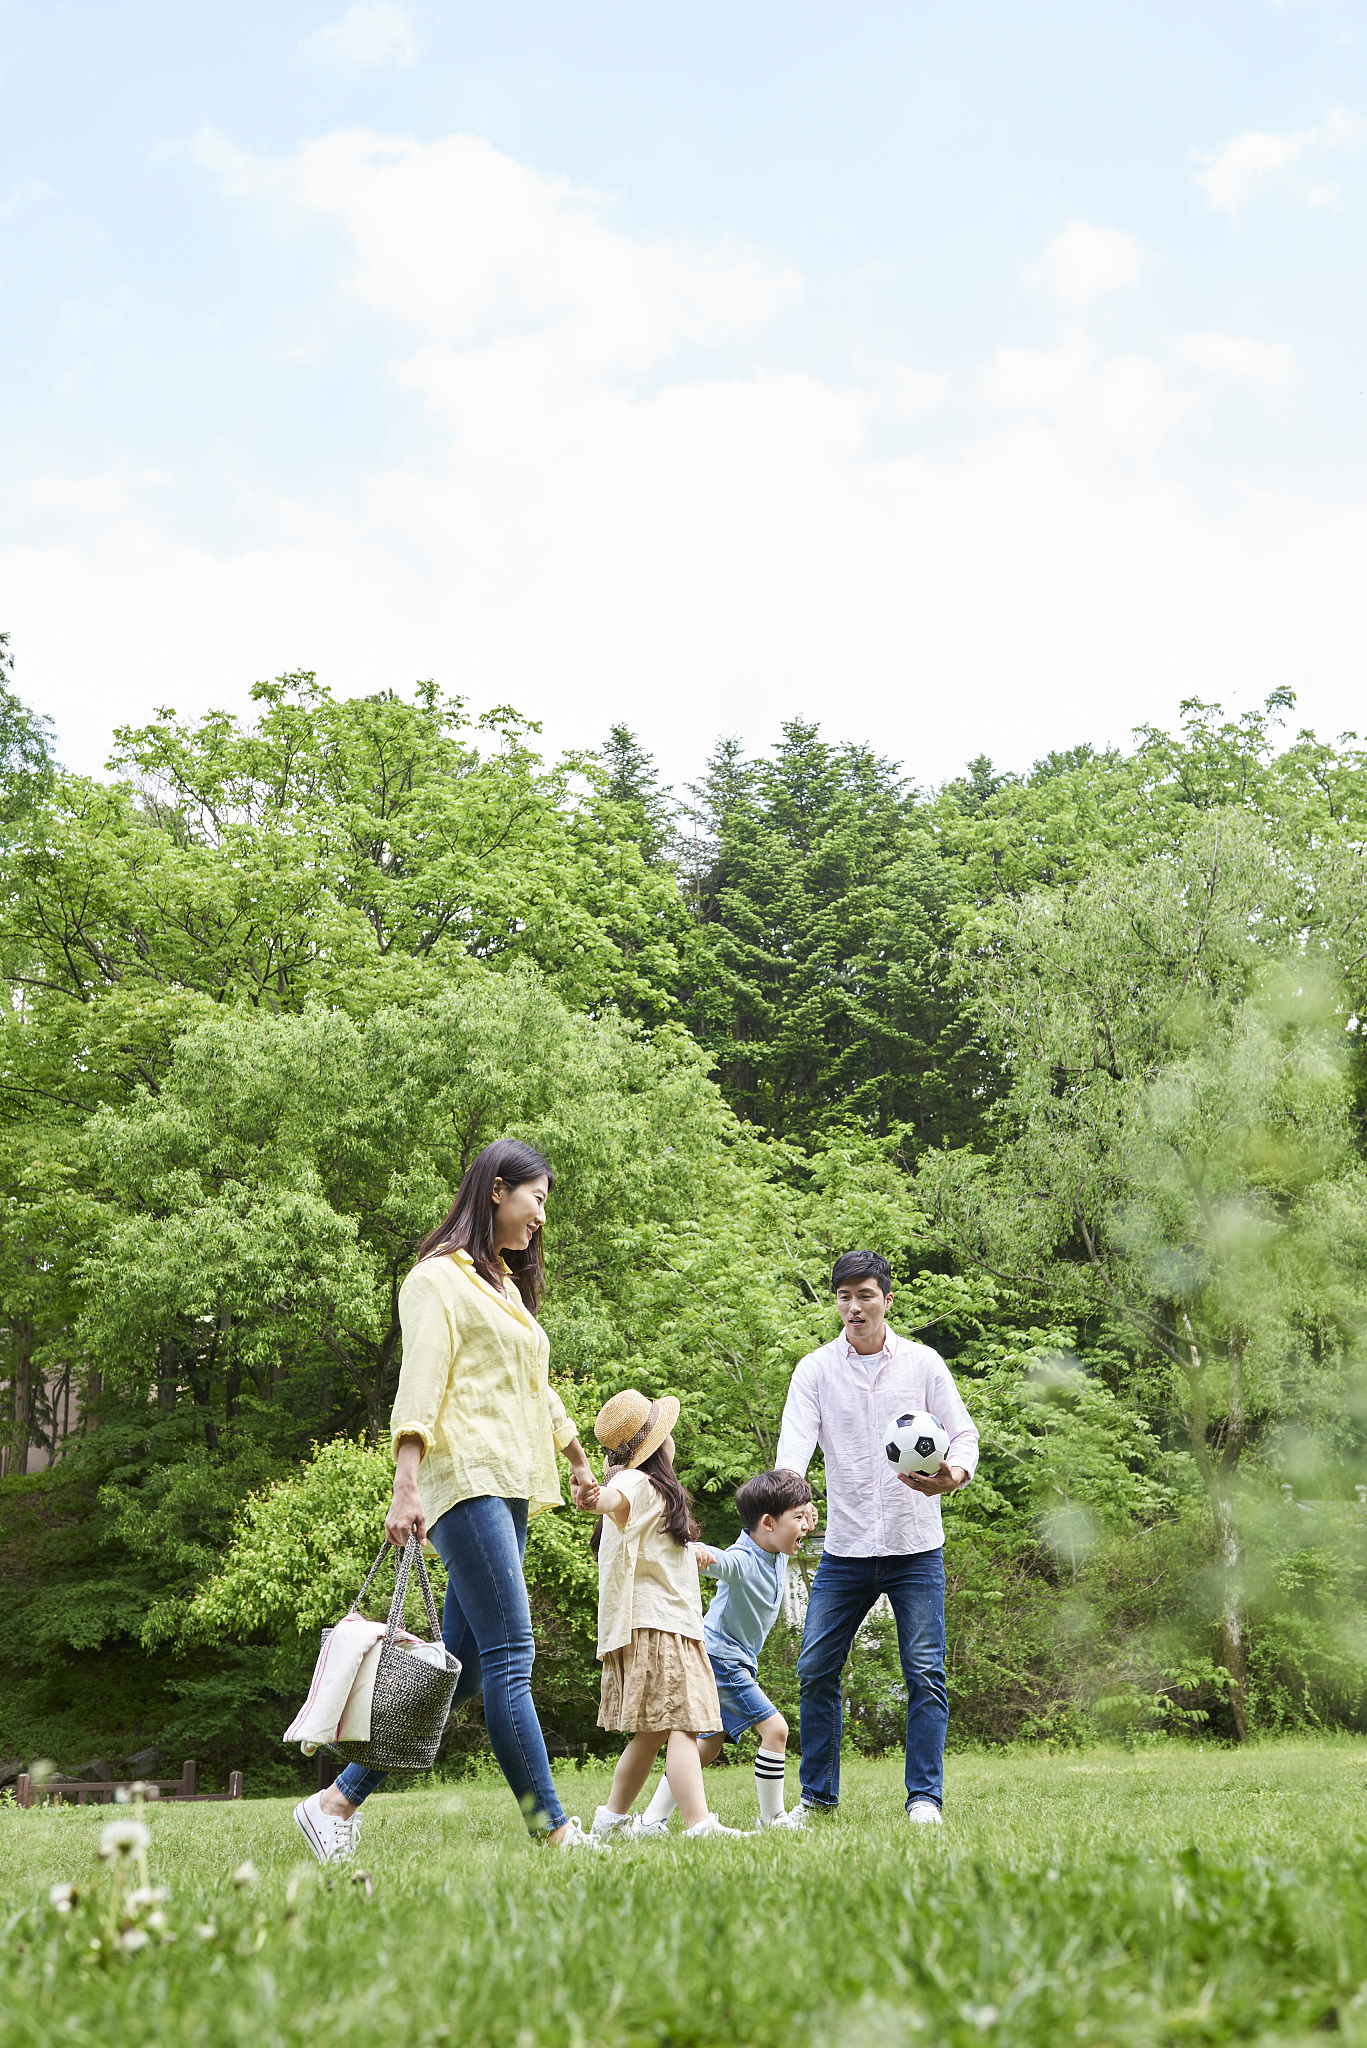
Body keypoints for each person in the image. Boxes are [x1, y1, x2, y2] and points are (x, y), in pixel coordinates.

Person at [293, 1138, 605, 1862]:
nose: (540, 1217)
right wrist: (405, 1485)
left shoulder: (502, 1288)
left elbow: (532, 1384)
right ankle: (553, 1830)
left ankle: (335, 1801)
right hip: (461, 1476)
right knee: (511, 1654)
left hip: (511, 1478)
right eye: (536, 1198)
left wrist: (579, 1460)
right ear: (498, 1189)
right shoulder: (435, 1279)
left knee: (459, 1663)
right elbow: (422, 1380)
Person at [775, 1249, 979, 1825]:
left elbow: (963, 1434)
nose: (854, 1307)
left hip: (917, 1545)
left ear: (887, 1300)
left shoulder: (923, 1364)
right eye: (844, 1296)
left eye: (865, 1295)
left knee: (925, 1673)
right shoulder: (815, 1370)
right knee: (815, 1667)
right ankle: (816, 1799)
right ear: (836, 1303)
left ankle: (924, 1800)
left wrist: (951, 1477)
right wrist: (794, 1503)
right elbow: (792, 1452)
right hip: (846, 1547)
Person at [573, 1389, 744, 1842]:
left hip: (653, 1621)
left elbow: (648, 1549)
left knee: (651, 1734)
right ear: (656, 1446)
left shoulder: (649, 1494)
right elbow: (614, 1499)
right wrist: (595, 1498)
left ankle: (610, 1822)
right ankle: (699, 1824)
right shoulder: (639, 1483)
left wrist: (694, 1554)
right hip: (659, 1624)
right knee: (684, 1725)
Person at [630, 1467, 816, 1836]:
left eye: (805, 1515)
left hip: (733, 1659)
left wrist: (802, 1513)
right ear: (767, 1522)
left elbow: (794, 1520)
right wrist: (703, 1553)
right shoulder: (745, 1559)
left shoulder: (775, 1545)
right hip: (723, 1659)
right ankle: (773, 1818)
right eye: (798, 1518)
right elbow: (725, 1561)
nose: (807, 1525)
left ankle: (650, 1822)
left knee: (707, 1746)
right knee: (775, 1730)